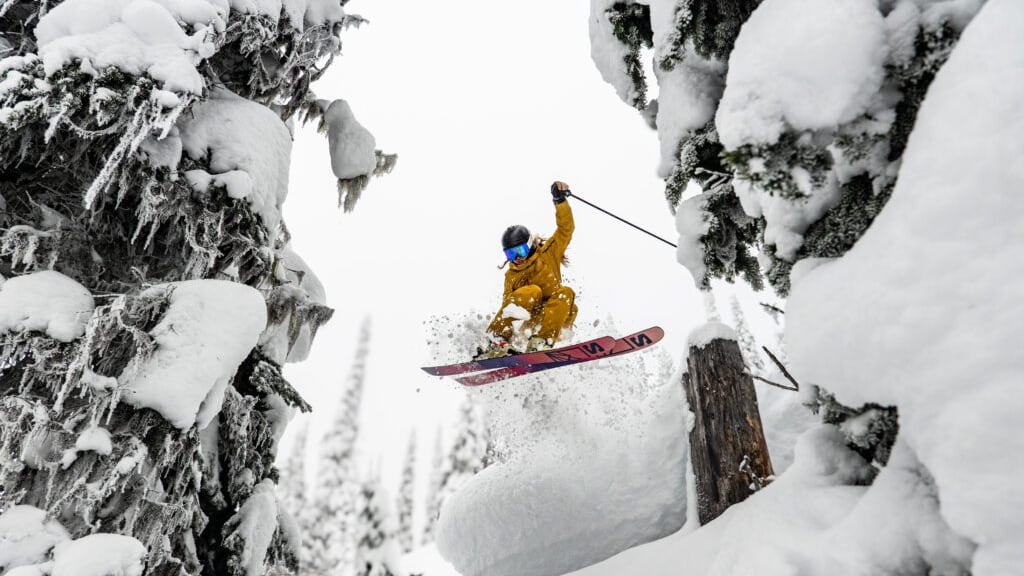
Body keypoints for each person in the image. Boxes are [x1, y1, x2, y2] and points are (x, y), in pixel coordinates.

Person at [476, 181, 578, 359]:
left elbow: (565, 230)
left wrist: (559, 201)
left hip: (550, 322)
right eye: (511, 254)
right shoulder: (512, 275)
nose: (517, 258)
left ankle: (540, 343)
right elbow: (508, 307)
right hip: (525, 321)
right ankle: (496, 340)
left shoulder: (549, 253)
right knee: (532, 291)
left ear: (529, 244)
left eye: (520, 251)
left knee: (566, 294)